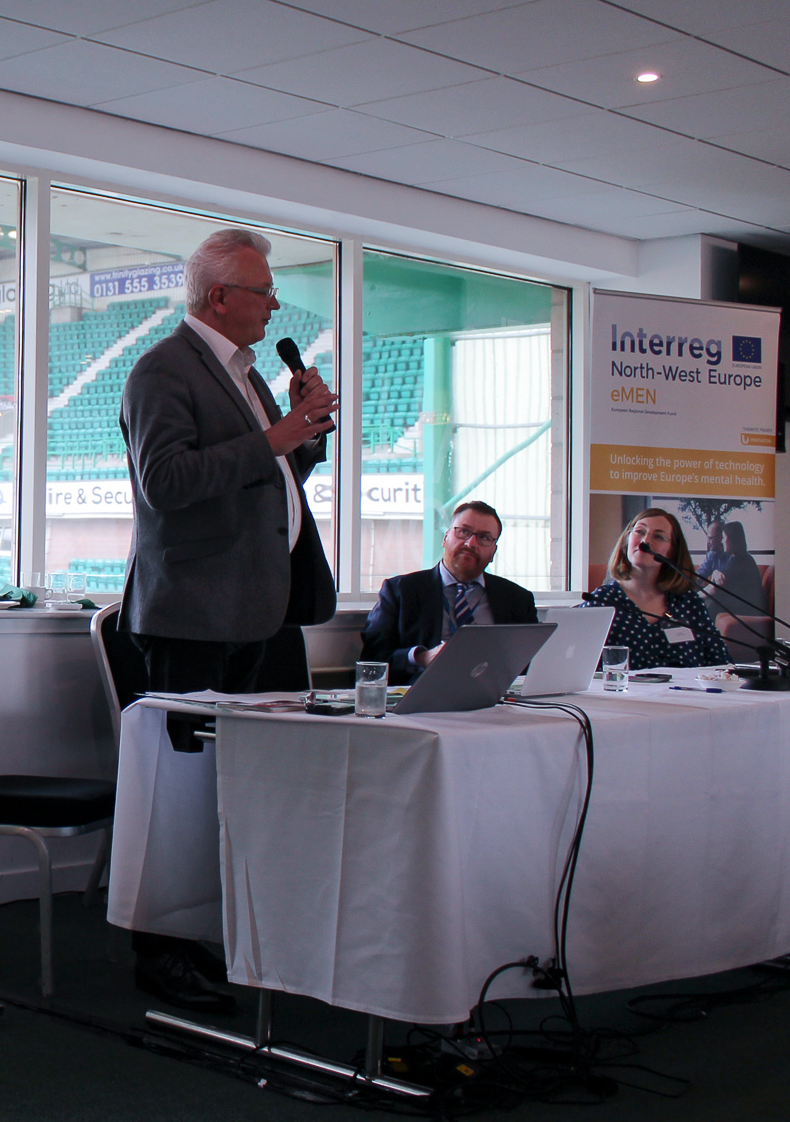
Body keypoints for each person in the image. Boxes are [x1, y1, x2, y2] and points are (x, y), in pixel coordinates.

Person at [117, 227, 337, 1014]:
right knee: (181, 793)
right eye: (263, 290)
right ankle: (163, 953)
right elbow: (167, 481)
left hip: (260, 609)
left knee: (242, 790)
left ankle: (217, 932)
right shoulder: (162, 369)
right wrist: (274, 436)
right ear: (219, 297)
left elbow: (269, 471)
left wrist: (301, 432)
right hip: (194, 614)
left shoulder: (244, 372)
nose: (275, 303)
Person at [361, 500, 538, 683]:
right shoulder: (400, 591)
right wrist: (421, 657)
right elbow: (371, 661)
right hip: (425, 694)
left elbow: (533, 662)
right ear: (445, 538)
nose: (470, 543)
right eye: (463, 532)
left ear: (493, 552)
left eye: (484, 538)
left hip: (494, 694)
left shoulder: (518, 599)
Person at [583, 508, 731, 669]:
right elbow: (577, 666)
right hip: (623, 686)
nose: (645, 541)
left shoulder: (689, 603)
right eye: (639, 531)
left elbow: (721, 664)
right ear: (626, 540)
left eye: (658, 536)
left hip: (687, 686)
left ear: (672, 551)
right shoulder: (601, 602)